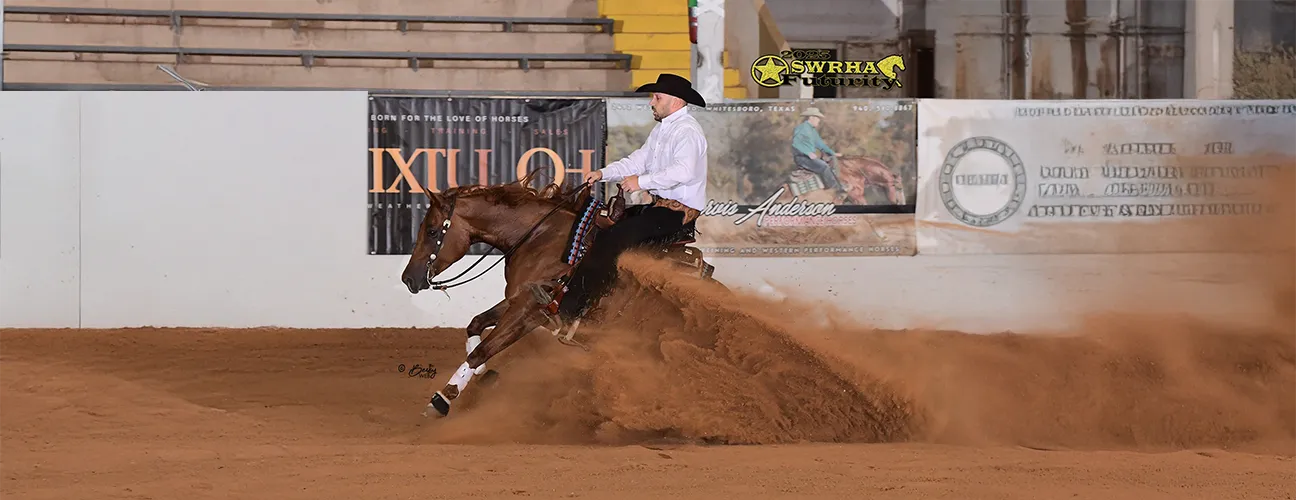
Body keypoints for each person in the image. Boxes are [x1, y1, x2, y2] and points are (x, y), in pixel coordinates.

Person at [528, 73, 709, 333]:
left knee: (610, 240)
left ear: (676, 102)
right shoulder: (665, 129)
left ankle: (572, 312)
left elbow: (684, 172)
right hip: (660, 208)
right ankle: (568, 291)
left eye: (657, 97)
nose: (652, 102)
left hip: (676, 215)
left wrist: (641, 182)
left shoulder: (687, 131)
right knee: (596, 225)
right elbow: (637, 160)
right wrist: (604, 173)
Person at [791, 107, 845, 201]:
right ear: (811, 117)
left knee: (832, 160)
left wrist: (832, 153)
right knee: (823, 166)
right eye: (817, 118)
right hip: (802, 157)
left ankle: (836, 184)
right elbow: (796, 143)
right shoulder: (801, 128)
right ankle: (835, 190)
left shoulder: (812, 130)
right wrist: (808, 153)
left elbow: (820, 144)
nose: (819, 121)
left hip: (808, 157)